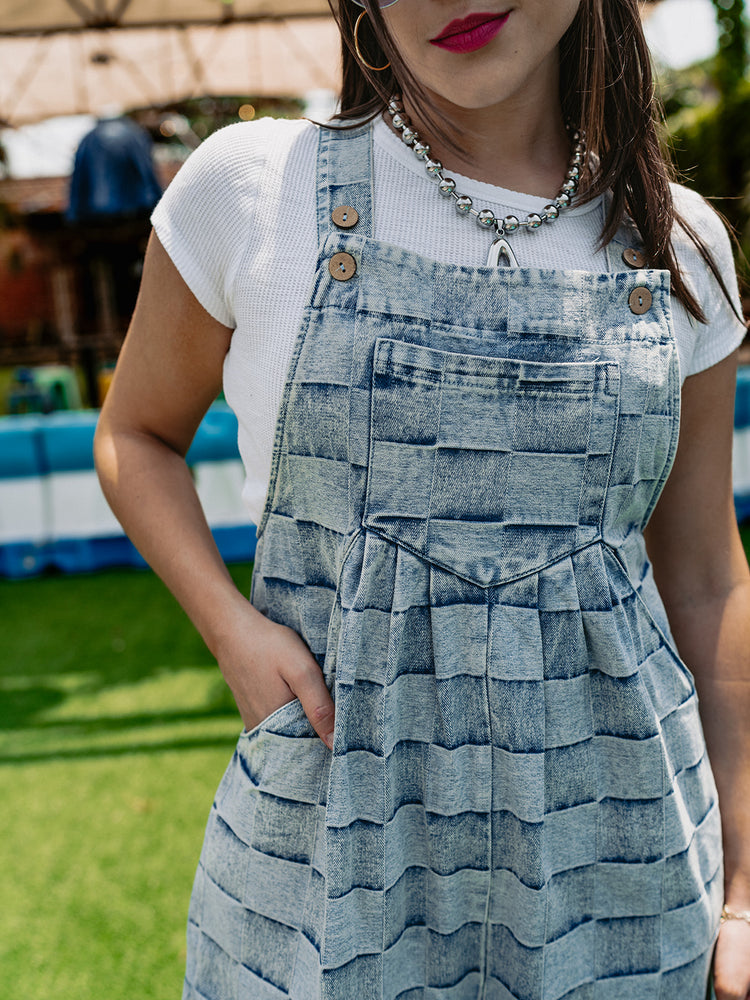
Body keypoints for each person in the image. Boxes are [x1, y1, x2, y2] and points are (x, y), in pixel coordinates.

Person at [94, 0, 750, 996]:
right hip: (325, 853)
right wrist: (232, 630)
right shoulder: (253, 190)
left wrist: (744, 888)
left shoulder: (678, 244)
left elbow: (704, 578)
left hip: (623, 868)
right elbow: (133, 435)